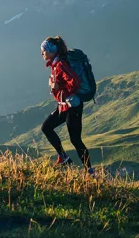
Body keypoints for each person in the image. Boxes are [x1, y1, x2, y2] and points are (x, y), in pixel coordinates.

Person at [40, 36, 94, 174]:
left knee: (75, 140)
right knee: (46, 127)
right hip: (64, 105)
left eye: (44, 50)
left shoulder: (61, 65)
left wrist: (60, 88)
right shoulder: (56, 64)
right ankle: (63, 157)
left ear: (51, 51)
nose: (42, 53)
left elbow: (74, 82)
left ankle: (90, 172)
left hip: (72, 107)